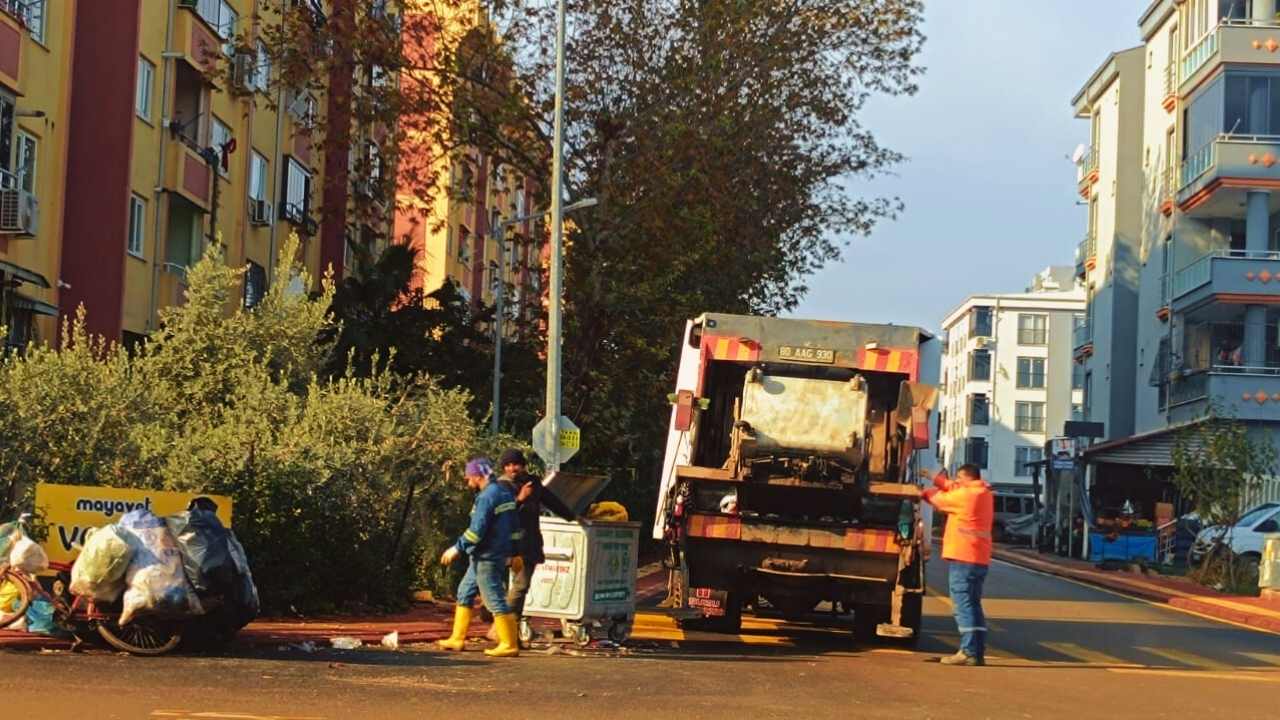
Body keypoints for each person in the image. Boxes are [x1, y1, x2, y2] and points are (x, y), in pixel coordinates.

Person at [437, 457, 522, 657]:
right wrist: (515, 552)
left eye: (469, 478)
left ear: (477, 476)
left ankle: (509, 644)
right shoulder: (504, 492)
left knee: (494, 598)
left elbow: (476, 531)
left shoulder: (486, 497)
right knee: (464, 592)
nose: (468, 482)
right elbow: (515, 527)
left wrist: (456, 548)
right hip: (490, 554)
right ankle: (457, 639)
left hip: (487, 556)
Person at [921, 463, 994, 667]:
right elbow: (954, 487)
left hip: (963, 556)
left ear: (967, 478)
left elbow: (936, 499)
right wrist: (937, 479)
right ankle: (977, 652)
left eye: (959, 478)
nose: (956, 481)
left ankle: (968, 652)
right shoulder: (983, 492)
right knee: (973, 605)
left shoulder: (965, 496)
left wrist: (923, 490)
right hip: (978, 558)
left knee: (963, 605)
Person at [497, 449, 579, 625]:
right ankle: (503, 628)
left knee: (521, 587)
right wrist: (520, 498)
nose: (512, 469)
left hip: (529, 542)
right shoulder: (501, 486)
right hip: (508, 545)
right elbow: (499, 513)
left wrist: (573, 517)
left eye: (515, 464)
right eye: (508, 465)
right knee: (512, 588)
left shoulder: (533, 482)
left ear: (523, 465)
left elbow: (551, 501)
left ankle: (509, 629)